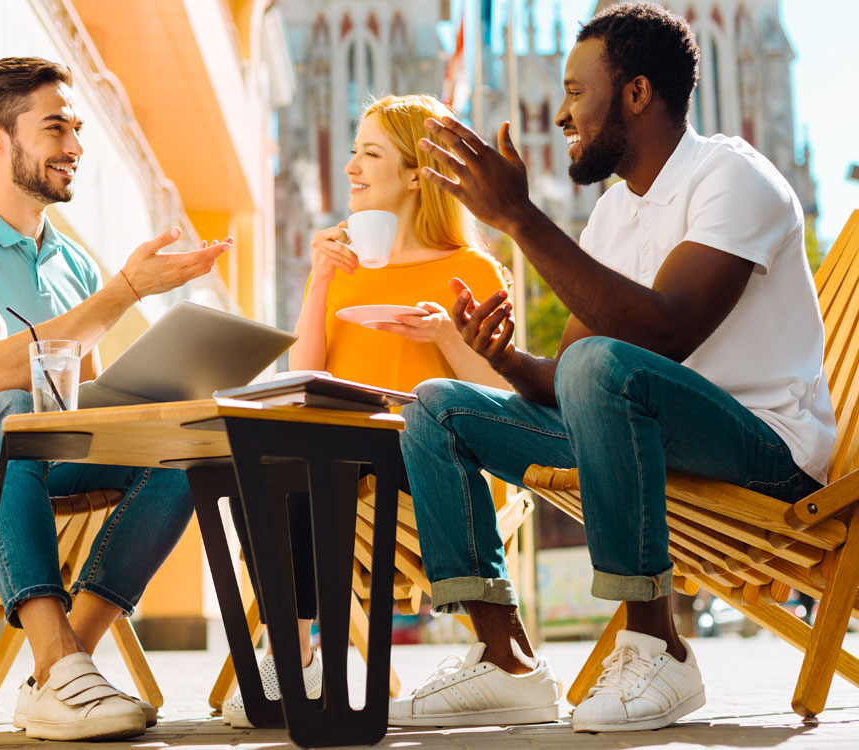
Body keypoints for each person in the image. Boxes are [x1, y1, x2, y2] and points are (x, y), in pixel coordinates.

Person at [392, 2, 834, 734]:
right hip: (648, 439)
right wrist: (502, 358)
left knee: (604, 364)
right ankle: (504, 661)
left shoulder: (731, 177)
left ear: (635, 93)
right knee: (436, 405)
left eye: (575, 92)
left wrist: (521, 221)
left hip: (764, 452)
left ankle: (658, 646)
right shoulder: (612, 215)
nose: (561, 115)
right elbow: (568, 379)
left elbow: (665, 332)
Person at [0, 57, 229, 742]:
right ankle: (56, 654)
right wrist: (126, 291)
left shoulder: (73, 264)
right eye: (57, 127)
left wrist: (168, 393)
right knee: (11, 417)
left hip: (33, 462)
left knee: (188, 447)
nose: (76, 147)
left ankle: (64, 673)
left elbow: (85, 414)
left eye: (78, 128)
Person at [221, 94, 524, 727]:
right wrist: (322, 284)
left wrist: (444, 336)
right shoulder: (341, 264)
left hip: (429, 470)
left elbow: (503, 393)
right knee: (266, 455)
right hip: (339, 466)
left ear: (417, 172)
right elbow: (305, 377)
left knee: (309, 462)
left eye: (371, 153)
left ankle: (489, 654)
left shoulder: (472, 269)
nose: (352, 167)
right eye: (353, 151)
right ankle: (297, 657)